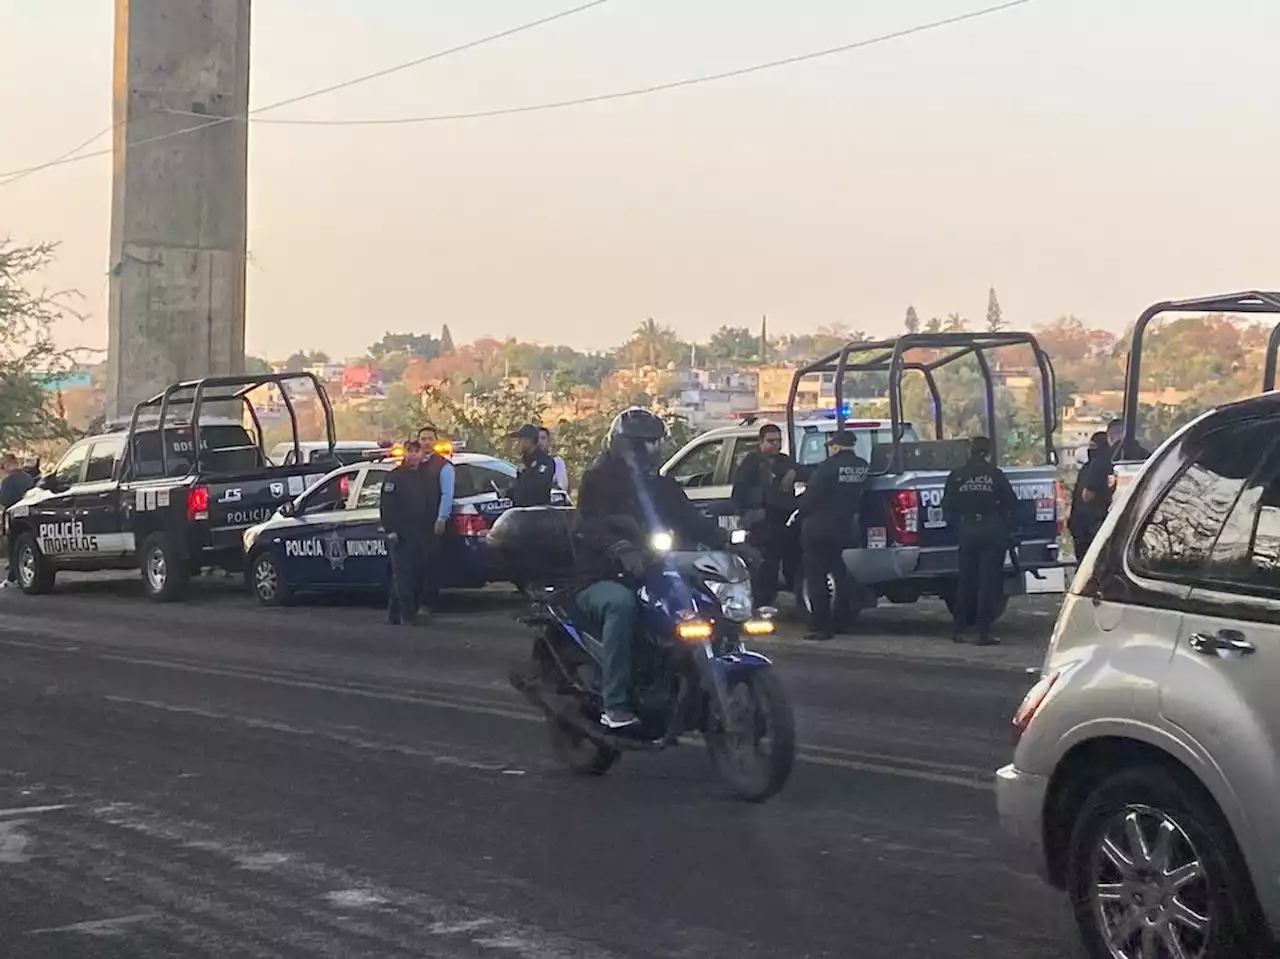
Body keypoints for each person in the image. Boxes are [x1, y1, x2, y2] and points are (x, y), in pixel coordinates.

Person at [573, 407, 731, 729]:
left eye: (652, 444)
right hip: (600, 575)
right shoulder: (597, 481)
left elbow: (690, 518)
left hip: (652, 569)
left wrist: (730, 542)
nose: (647, 452)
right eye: (638, 444)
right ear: (618, 444)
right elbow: (588, 525)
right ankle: (615, 704)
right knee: (622, 606)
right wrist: (618, 547)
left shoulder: (662, 486)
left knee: (698, 603)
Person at [942, 436, 1017, 646]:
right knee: (988, 583)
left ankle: (958, 630)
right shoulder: (995, 475)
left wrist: (960, 526)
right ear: (988, 453)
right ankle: (983, 633)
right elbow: (1011, 503)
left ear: (970, 452)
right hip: (993, 531)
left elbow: (947, 506)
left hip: (968, 531)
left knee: (966, 582)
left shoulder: (957, 475)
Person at [796, 431, 868, 641]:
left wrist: (800, 514)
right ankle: (842, 619)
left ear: (835, 447)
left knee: (816, 577)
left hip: (819, 528)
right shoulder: (862, 466)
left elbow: (810, 498)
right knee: (841, 575)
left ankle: (821, 626)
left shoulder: (827, 467)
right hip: (846, 528)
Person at [730, 423, 796, 608]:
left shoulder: (784, 461)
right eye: (771, 441)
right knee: (763, 567)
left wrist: (792, 472)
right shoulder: (752, 462)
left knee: (782, 565)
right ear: (760, 442)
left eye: (779, 441)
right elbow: (739, 494)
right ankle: (759, 605)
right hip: (760, 523)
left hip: (781, 522)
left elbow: (804, 471)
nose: (776, 445)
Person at [379, 440, 430, 625]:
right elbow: (386, 505)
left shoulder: (422, 476)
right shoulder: (395, 477)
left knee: (413, 574)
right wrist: (391, 529)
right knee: (404, 575)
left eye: (417, 452)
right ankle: (409, 615)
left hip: (419, 533)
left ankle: (394, 613)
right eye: (410, 452)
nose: (414, 456)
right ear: (404, 454)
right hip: (400, 534)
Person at [415, 427, 455, 616]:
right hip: (414, 523)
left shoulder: (443, 466)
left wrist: (441, 519)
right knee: (415, 564)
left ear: (435, 441)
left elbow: (447, 495)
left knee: (430, 564)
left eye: (430, 439)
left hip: (432, 522)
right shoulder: (412, 464)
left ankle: (428, 603)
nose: (426, 442)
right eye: (423, 439)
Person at [1068, 431, 1113, 560]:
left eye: (1093, 447)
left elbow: (1087, 496)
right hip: (1089, 525)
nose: (1090, 450)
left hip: (1088, 526)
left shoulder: (1097, 464)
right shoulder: (1107, 463)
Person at [0, 453, 35, 591]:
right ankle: (22, 576)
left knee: (13, 548)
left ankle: (12, 579)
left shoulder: (8, 481)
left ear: (7, 465)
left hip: (13, 518)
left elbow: (3, 502)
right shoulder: (28, 478)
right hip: (28, 517)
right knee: (25, 549)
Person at [507, 425, 556, 507]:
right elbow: (519, 491)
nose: (518, 443)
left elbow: (537, 488)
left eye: (521, 439)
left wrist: (527, 472)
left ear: (529, 440)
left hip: (536, 515)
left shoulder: (545, 461)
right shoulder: (526, 462)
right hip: (521, 514)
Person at [538, 427, 570, 492]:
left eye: (543, 438)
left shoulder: (556, 461)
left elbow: (562, 487)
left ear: (548, 441)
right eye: (537, 439)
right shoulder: (529, 463)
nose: (540, 441)